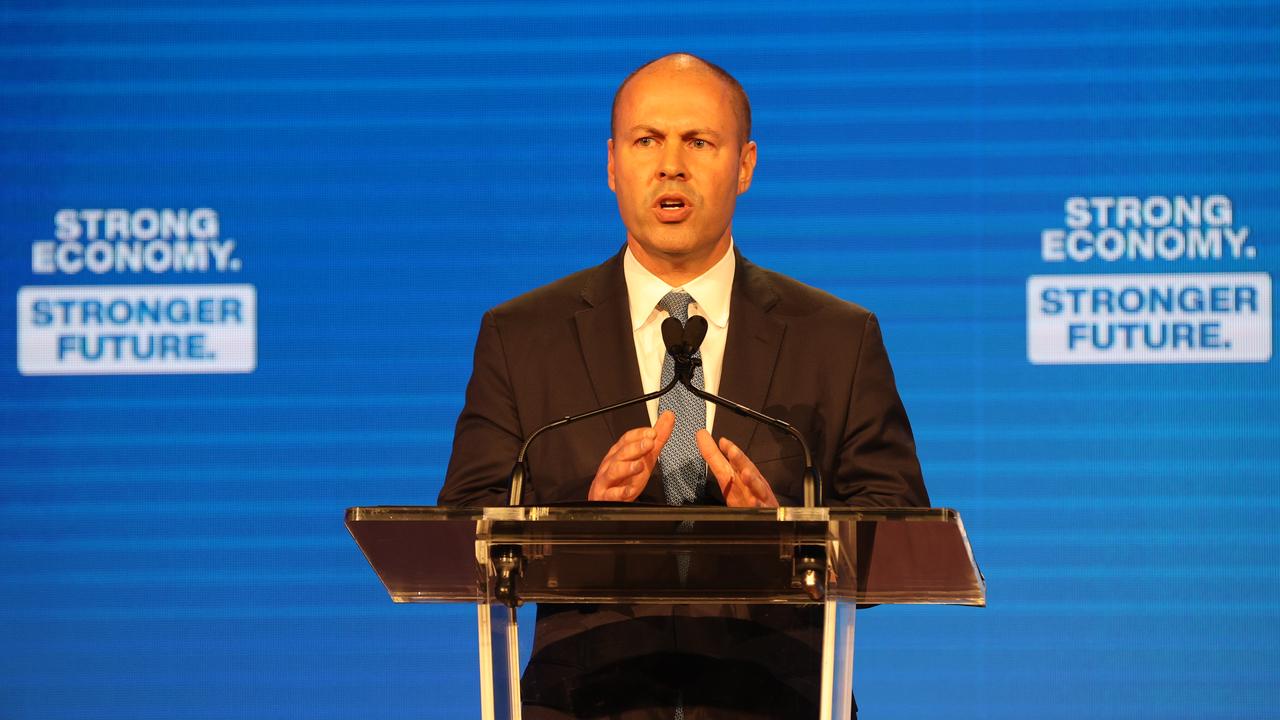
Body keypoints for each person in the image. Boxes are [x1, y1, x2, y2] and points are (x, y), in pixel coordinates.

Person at [439, 53, 928, 719]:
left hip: (773, 699)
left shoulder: (836, 338)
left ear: (745, 165)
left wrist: (786, 536)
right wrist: (577, 515)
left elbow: (897, 529)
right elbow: (465, 526)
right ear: (613, 164)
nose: (672, 164)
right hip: (584, 699)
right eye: (648, 141)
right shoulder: (523, 335)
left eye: (699, 141)